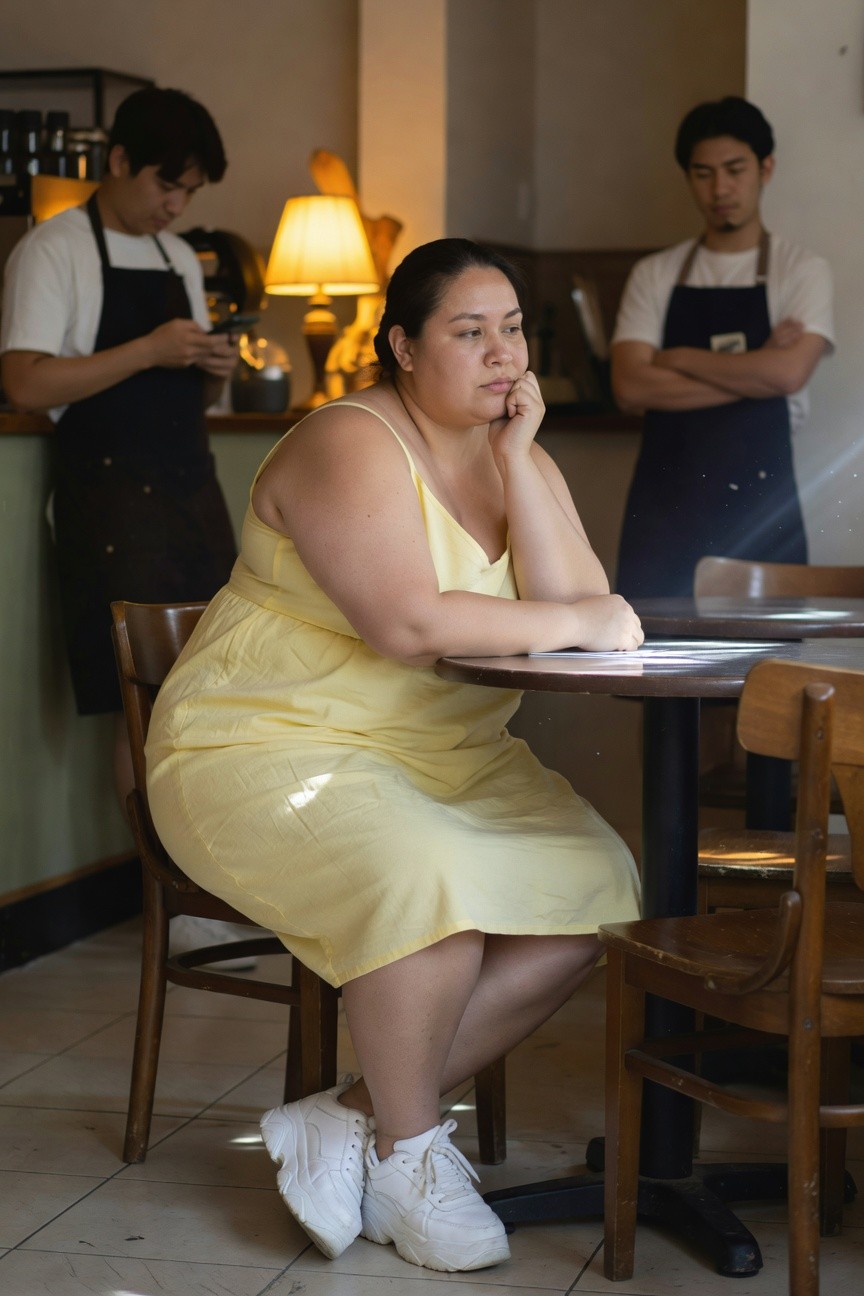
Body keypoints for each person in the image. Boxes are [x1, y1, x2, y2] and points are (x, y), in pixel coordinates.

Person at [144, 238, 644, 1273]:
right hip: (268, 741)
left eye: (512, 330)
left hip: (439, 756)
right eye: (470, 333)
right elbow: (409, 625)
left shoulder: (519, 452)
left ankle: (349, 1115)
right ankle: (412, 1156)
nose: (501, 353)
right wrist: (587, 617)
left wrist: (516, 461)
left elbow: (579, 610)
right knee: (429, 886)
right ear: (403, 348)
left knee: (600, 885)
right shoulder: (350, 441)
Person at [0, 86, 250, 963]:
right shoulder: (53, 250)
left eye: (189, 192)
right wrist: (149, 349)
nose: (176, 207)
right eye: (166, 185)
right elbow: (26, 384)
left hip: (189, 488)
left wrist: (211, 365)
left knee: (211, 696)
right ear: (116, 163)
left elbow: (192, 395)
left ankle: (215, 886)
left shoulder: (181, 256)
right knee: (146, 704)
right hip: (109, 498)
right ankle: (171, 897)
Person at [611, 95, 834, 598]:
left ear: (766, 168)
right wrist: (753, 371)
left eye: (734, 170)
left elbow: (788, 375)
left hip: (762, 508)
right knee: (652, 663)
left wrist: (679, 359)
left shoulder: (800, 270)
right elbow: (629, 384)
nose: (720, 189)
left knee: (769, 667)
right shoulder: (655, 273)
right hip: (664, 511)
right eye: (703, 173)